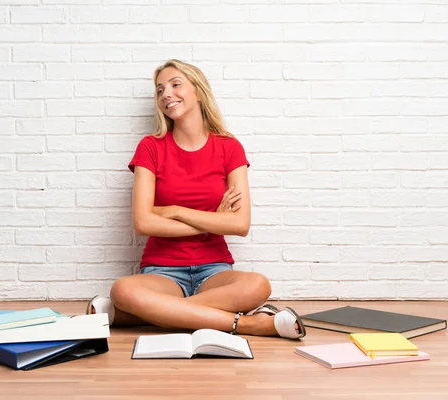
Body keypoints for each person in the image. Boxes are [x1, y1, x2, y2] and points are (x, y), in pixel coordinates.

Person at [88, 59, 305, 339]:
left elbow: (239, 225)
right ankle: (249, 325)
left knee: (258, 285)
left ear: (199, 92)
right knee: (123, 290)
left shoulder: (229, 147)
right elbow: (143, 223)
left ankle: (144, 315)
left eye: (175, 85)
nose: (166, 94)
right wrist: (214, 219)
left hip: (214, 269)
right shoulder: (150, 147)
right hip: (162, 271)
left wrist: (175, 210)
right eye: (160, 90)